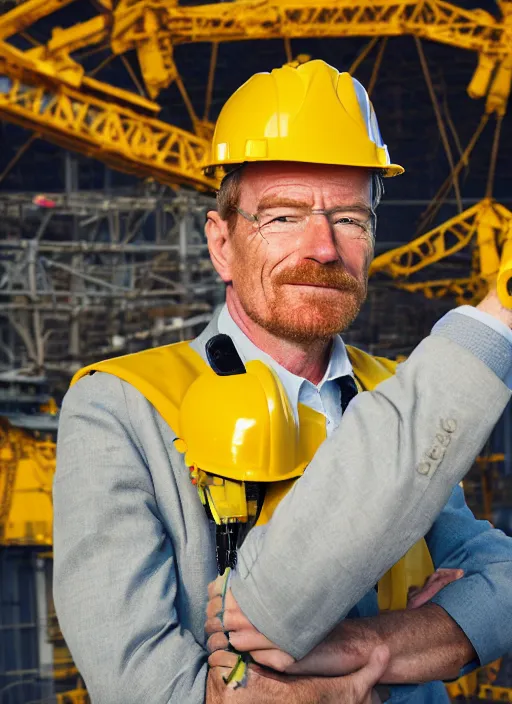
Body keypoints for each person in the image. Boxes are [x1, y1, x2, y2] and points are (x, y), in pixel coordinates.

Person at [53, 60, 512, 704]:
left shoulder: (399, 395)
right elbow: (139, 687)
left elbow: (505, 585)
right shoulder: (123, 406)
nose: (322, 248)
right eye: (283, 217)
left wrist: (372, 648)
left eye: (349, 219)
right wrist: (431, 642)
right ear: (221, 245)